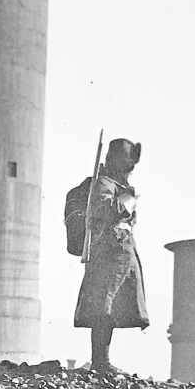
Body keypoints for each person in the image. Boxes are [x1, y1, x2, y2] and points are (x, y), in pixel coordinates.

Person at [73, 138, 149, 372]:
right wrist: (127, 201)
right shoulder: (104, 184)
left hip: (122, 251)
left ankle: (102, 360)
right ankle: (100, 361)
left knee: (113, 306)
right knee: (103, 305)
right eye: (127, 164)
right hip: (110, 251)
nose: (130, 170)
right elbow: (105, 212)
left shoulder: (116, 185)